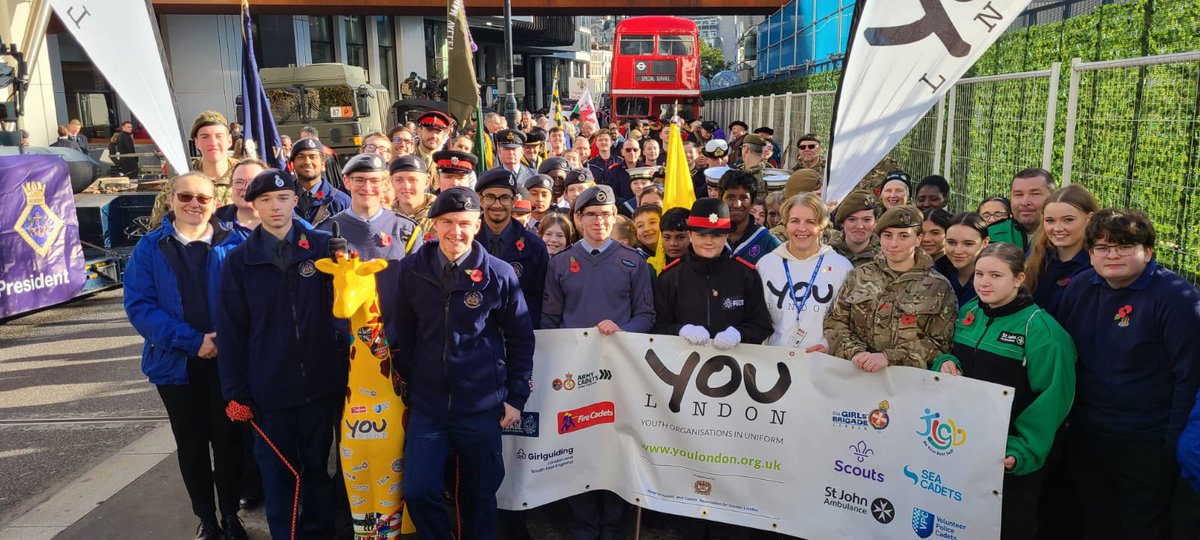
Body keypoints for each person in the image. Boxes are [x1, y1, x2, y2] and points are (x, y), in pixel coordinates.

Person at [391, 187, 535, 540]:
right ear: (435, 224)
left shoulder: (498, 274)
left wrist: (516, 396)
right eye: (448, 223)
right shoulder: (411, 270)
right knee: (419, 490)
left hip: (481, 405)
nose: (457, 232)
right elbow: (403, 334)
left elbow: (520, 338)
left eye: (466, 223)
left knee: (481, 495)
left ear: (478, 224)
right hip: (429, 407)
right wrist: (414, 382)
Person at [217, 169, 346, 540]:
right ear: (254, 206)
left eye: (283, 198)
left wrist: (343, 266)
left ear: (294, 200)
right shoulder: (239, 262)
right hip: (269, 391)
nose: (276, 207)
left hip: (321, 385)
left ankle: (320, 532)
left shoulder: (322, 247)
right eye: (266, 201)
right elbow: (231, 330)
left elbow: (346, 306)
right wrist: (236, 392)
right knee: (278, 475)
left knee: (317, 470)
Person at [1057, 209, 1200, 540]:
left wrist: (1170, 446)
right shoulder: (1080, 286)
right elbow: (1067, 355)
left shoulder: (1177, 299)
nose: (1112, 255)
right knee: (1096, 518)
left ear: (1147, 251)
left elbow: (1189, 377)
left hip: (1146, 439)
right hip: (1088, 433)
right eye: (1102, 247)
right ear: (1090, 253)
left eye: (1124, 246)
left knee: (1142, 525)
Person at [124, 171, 249, 540]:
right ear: (171, 200)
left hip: (226, 363)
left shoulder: (236, 242)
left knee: (228, 442)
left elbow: (251, 300)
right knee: (191, 444)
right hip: (175, 366)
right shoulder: (150, 247)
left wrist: (223, 340)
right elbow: (140, 307)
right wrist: (194, 342)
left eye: (203, 198)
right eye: (185, 198)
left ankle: (230, 515)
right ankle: (206, 519)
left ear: (215, 202)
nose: (194, 204)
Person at [932, 242, 1077, 540]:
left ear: (1019, 279)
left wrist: (1022, 450)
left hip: (1008, 460)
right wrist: (946, 363)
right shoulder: (970, 311)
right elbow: (949, 354)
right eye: (980, 274)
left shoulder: (1042, 331)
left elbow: (1054, 399)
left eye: (996, 275)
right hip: (960, 446)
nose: (984, 282)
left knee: (1009, 528)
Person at [542, 185, 654, 539]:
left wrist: (623, 329)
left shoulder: (632, 260)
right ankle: (582, 523)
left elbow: (647, 314)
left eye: (606, 215)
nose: (599, 221)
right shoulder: (560, 263)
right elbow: (550, 320)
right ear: (578, 218)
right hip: (575, 375)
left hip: (619, 373)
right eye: (591, 214)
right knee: (577, 442)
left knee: (616, 445)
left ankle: (614, 523)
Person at [825, 206, 957, 371]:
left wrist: (889, 357)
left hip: (907, 381)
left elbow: (940, 343)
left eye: (903, 236)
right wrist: (856, 353)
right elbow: (835, 322)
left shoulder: (938, 286)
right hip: (857, 372)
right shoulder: (859, 275)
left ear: (918, 239)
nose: (894, 244)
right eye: (888, 236)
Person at [653, 197, 773, 349]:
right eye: (701, 235)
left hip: (735, 366)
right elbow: (657, 328)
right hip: (683, 367)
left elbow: (761, 325)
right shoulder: (670, 277)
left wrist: (739, 334)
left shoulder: (746, 275)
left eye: (717, 235)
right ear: (690, 235)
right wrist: (681, 331)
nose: (709, 241)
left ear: (726, 236)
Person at [757, 193, 853, 351]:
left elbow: (850, 321)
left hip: (822, 363)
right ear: (786, 224)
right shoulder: (767, 264)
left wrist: (828, 346)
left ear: (822, 226)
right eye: (795, 221)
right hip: (775, 364)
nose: (802, 228)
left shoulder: (840, 267)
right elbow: (756, 318)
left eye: (810, 222)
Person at [476, 168, 549, 326]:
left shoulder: (535, 247)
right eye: (490, 197)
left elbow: (539, 299)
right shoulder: (466, 243)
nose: (497, 205)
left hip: (518, 334)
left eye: (504, 198)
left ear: (514, 200)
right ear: (480, 200)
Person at [319, 153, 422, 262]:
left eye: (374, 181)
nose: (367, 188)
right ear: (347, 182)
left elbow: (417, 276)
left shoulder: (405, 229)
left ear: (386, 184)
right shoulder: (326, 230)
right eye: (359, 180)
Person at [150, 111, 241, 230]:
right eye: (205, 137)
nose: (213, 143)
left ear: (229, 140)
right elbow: (156, 231)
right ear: (196, 142)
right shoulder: (179, 183)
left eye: (219, 136)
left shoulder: (248, 178)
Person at [1023, 184, 1099, 318]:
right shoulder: (1036, 258)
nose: (1057, 228)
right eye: (1050, 221)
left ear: (1090, 219)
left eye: (1068, 220)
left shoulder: (1099, 265)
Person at [720, 169, 781, 265]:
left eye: (743, 198)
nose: (737, 204)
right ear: (721, 200)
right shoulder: (712, 237)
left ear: (752, 202)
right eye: (730, 197)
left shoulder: (768, 243)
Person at [290, 137, 351, 226]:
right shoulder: (283, 199)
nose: (307, 161)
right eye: (301, 157)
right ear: (293, 165)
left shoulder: (341, 201)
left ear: (323, 165)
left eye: (313, 157)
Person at [934, 213, 990, 307]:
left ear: (985, 243)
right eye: (951, 242)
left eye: (968, 244)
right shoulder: (935, 273)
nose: (958, 251)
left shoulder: (995, 279)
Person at [992, 168, 1054, 250]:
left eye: (1035, 194)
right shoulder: (991, 234)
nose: (1024, 202)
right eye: (1018, 195)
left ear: (1053, 197)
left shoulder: (1064, 236)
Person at [829, 190, 881, 267]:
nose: (859, 226)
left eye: (866, 220)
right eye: (852, 219)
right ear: (843, 222)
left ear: (875, 222)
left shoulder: (884, 256)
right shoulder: (827, 249)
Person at [390, 154, 437, 237]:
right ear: (391, 182)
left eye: (412, 180)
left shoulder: (439, 214)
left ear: (426, 182)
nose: (406, 186)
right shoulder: (386, 215)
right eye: (399, 180)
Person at [215, 159, 266, 234]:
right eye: (239, 182)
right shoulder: (214, 222)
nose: (246, 188)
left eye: (254, 182)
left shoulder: (286, 220)